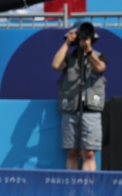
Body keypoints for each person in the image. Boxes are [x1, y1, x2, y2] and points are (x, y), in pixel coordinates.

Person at [51, 23, 107, 171]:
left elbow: (100, 68)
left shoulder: (100, 56)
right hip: (70, 109)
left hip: (91, 110)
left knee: (88, 153)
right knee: (72, 152)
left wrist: (88, 51)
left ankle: (87, 192)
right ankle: (72, 192)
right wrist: (68, 42)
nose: (83, 39)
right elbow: (56, 65)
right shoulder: (68, 58)